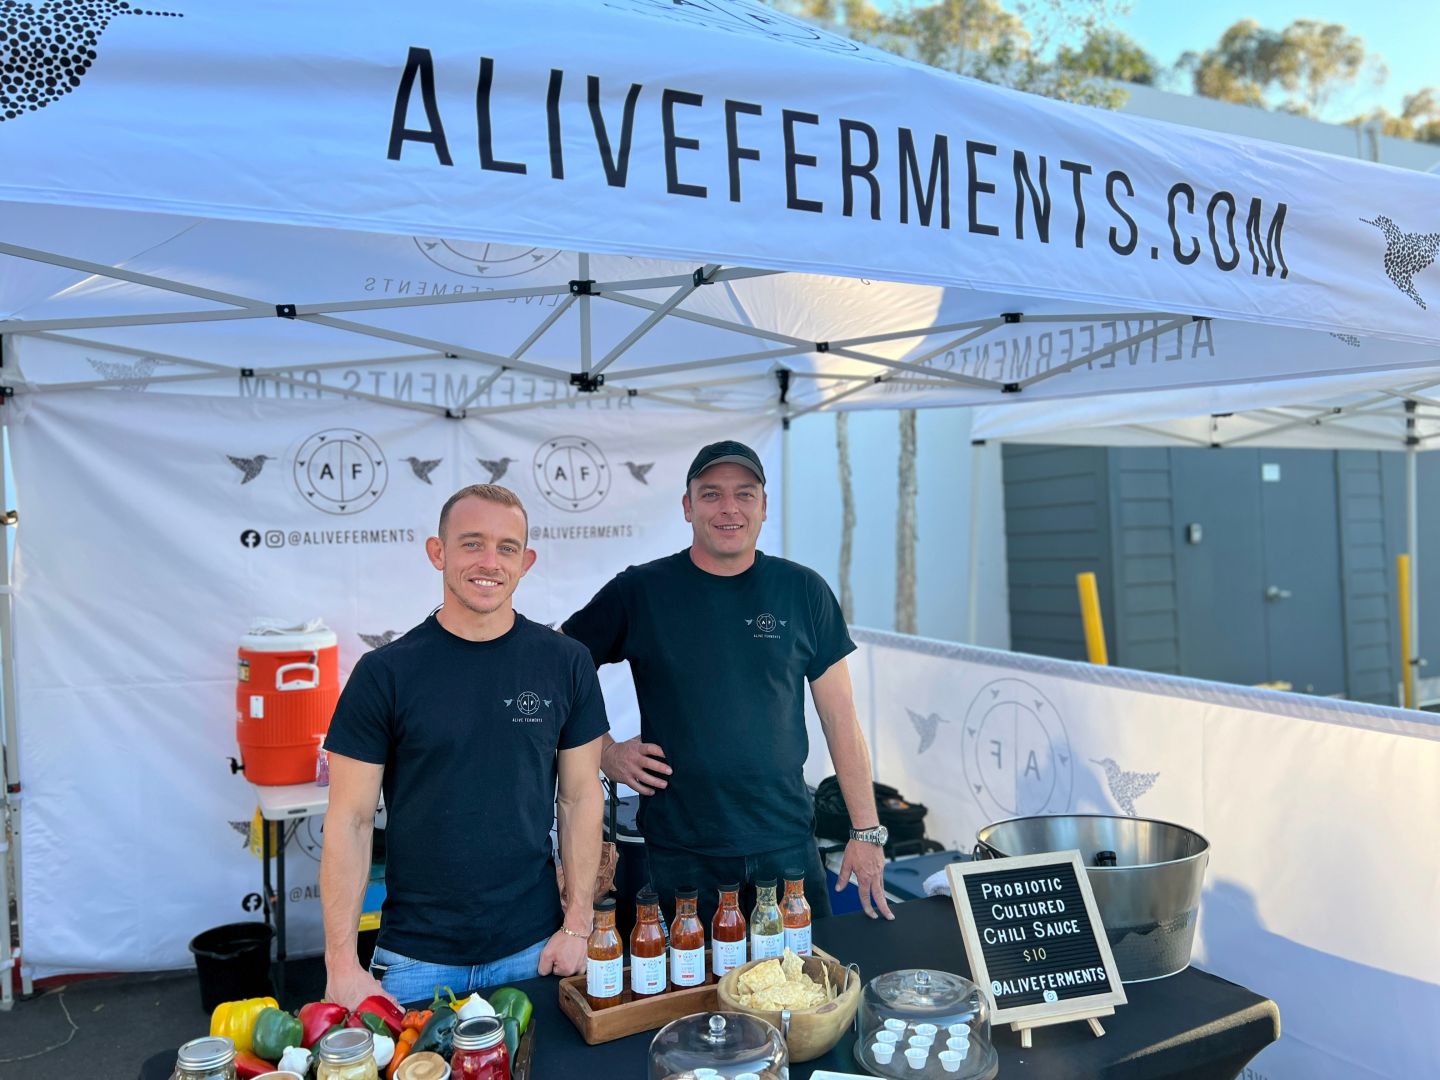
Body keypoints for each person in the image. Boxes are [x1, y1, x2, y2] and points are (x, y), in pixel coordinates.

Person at [563, 440, 894, 929]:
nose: (729, 508)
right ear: (688, 506)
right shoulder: (641, 591)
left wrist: (866, 831)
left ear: (763, 506)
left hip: (786, 846)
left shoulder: (803, 591)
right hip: (681, 854)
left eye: (744, 493)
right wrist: (606, 752)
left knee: (805, 976)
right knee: (687, 981)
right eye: (711, 494)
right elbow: (558, 668)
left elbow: (840, 717)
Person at [320, 484, 608, 1008]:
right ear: (438, 552)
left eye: (506, 548)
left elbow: (580, 797)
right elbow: (350, 821)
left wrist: (578, 924)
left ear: (526, 562)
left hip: (536, 949)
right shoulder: (385, 673)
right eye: (472, 543)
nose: (489, 562)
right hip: (414, 961)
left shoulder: (566, 662)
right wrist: (341, 962)